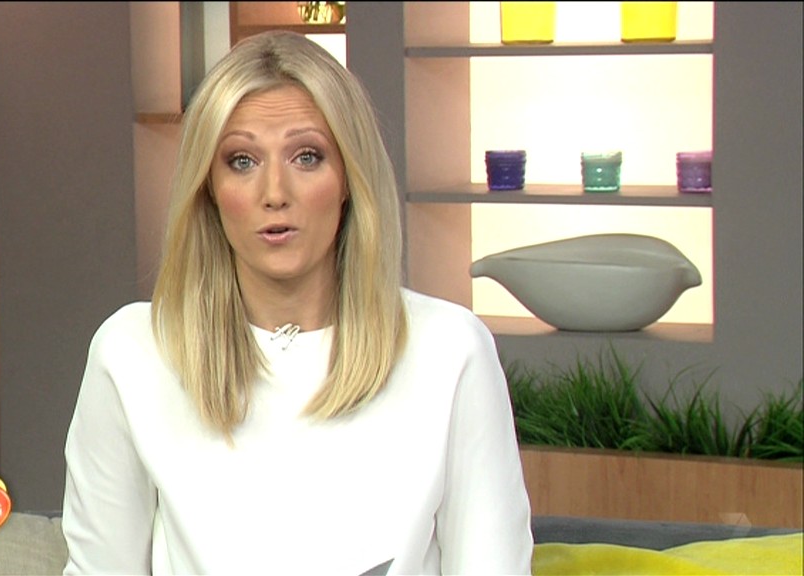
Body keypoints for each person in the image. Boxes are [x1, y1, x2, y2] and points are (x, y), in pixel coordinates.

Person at [62, 30, 533, 575]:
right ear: (208, 187)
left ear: (349, 177)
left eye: (307, 157)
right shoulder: (132, 353)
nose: (275, 193)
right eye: (242, 161)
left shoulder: (450, 349)